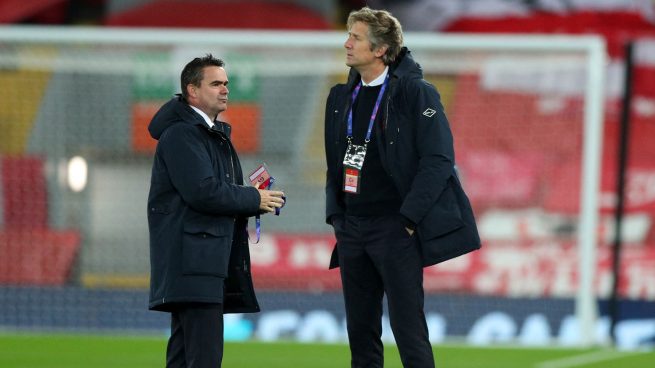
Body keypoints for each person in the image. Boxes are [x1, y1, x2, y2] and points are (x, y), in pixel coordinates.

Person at [324, 7, 481, 367]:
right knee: (360, 335)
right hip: (352, 229)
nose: (346, 43)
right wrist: (337, 216)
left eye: (356, 37)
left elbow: (439, 160)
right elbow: (335, 163)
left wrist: (408, 219)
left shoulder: (416, 93)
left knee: (409, 331)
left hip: (396, 228)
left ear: (380, 50)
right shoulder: (338, 98)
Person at [147, 54, 285, 368]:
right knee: (204, 359)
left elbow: (212, 191)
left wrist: (253, 199)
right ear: (192, 91)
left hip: (201, 261)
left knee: (185, 358)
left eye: (226, 83)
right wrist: (253, 199)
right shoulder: (183, 134)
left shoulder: (208, 133)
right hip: (194, 262)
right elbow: (203, 192)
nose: (224, 90)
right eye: (215, 84)